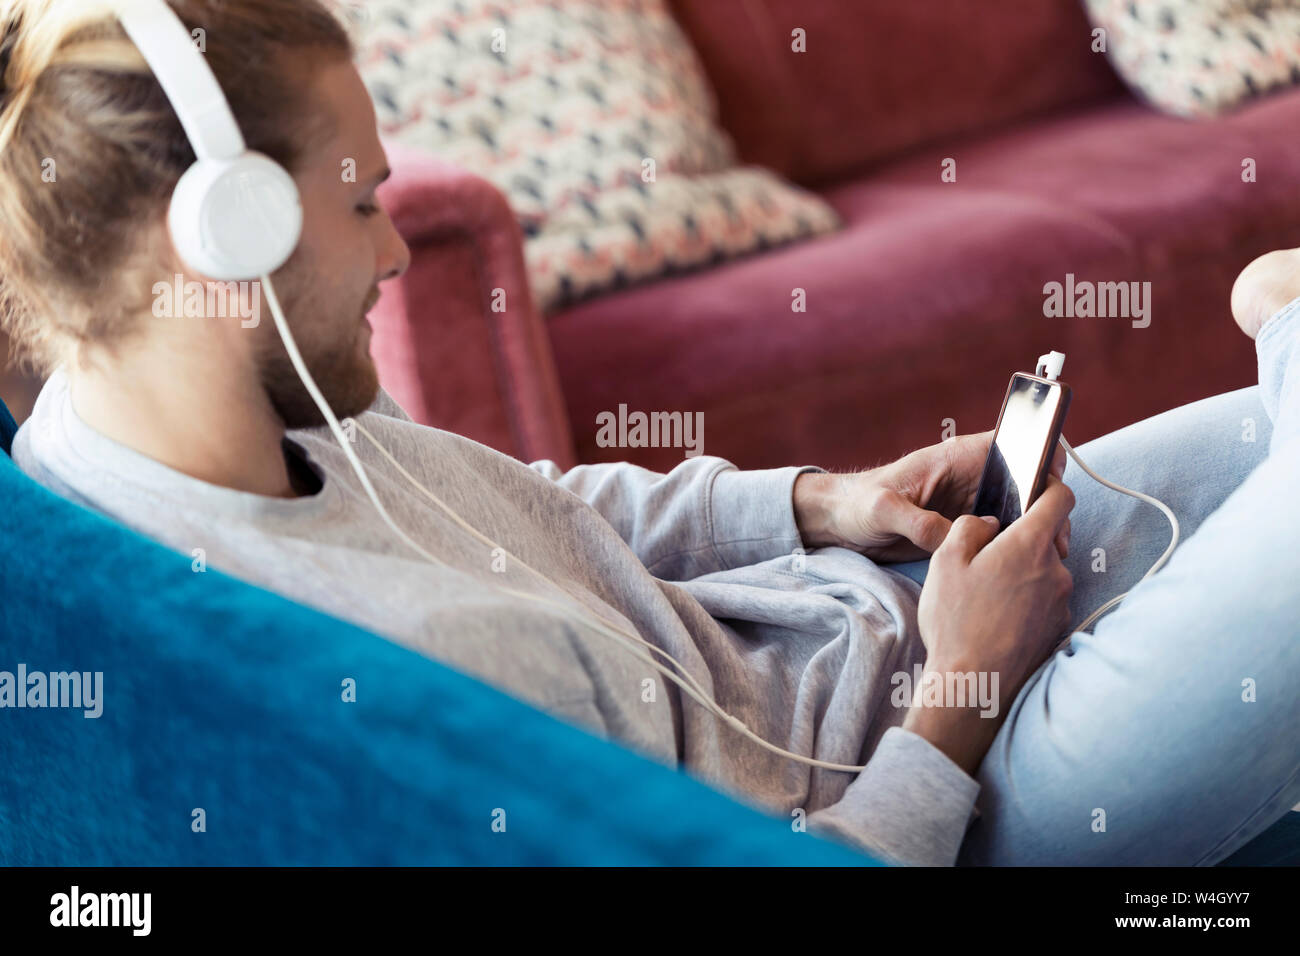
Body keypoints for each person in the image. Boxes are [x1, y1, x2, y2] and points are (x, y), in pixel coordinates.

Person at [2, 0, 1295, 867]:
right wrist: (963, 689)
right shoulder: (311, 679)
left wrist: (823, 503)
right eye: (363, 208)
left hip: (871, 619)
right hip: (962, 789)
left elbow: (534, 511)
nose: (395, 252)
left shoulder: (204, 417)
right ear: (231, 239)